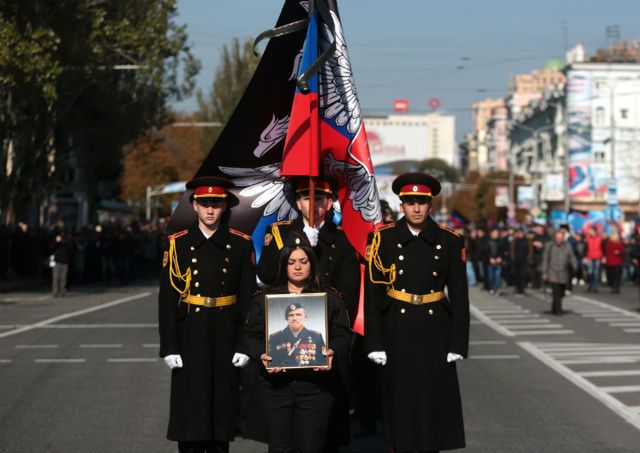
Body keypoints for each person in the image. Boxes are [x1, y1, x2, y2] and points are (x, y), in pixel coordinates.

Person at [365, 172, 469, 453]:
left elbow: (459, 297)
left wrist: (458, 342)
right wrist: (374, 342)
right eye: (410, 202)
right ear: (401, 205)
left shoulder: (450, 241)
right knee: (399, 400)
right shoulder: (382, 240)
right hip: (396, 329)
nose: (416, 208)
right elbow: (373, 297)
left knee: (433, 401)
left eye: (421, 202)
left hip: (435, 331)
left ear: (430, 205)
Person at [158, 176, 257, 453]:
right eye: (204, 204)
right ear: (195, 206)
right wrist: (169, 346)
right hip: (191, 332)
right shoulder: (177, 244)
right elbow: (167, 298)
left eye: (216, 204)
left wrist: (244, 344)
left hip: (225, 332)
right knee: (190, 404)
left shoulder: (239, 244)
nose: (210, 210)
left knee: (222, 405)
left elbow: (248, 298)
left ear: (225, 207)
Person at [244, 234, 352, 453]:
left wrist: (333, 351)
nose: (297, 267)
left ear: (312, 265)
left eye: (304, 261)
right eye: (291, 262)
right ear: (283, 266)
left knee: (311, 446)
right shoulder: (265, 299)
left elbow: (342, 334)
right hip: (276, 386)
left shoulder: (329, 298)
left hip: (317, 387)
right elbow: (251, 336)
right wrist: (261, 355)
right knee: (279, 446)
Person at [257, 176, 360, 322]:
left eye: (318, 198)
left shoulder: (343, 238)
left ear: (329, 204)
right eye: (307, 198)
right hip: (284, 315)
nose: (313, 204)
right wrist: (297, 239)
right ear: (298, 203)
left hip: (326, 316)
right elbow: (266, 275)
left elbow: (348, 290)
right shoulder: (280, 233)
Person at [268, 301, 326, 368]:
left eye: (298, 314)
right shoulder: (275, 337)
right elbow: (270, 363)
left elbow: (323, 361)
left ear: (305, 317)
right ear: (287, 318)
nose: (294, 318)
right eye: (291, 315)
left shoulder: (316, 336)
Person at [541, 230, 577, 315]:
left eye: (560, 238)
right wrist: (544, 272)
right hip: (552, 272)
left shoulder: (567, 246)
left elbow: (572, 256)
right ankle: (558, 310)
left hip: (563, 272)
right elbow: (545, 259)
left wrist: (575, 266)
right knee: (556, 291)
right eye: (557, 238)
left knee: (561, 292)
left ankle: (554, 307)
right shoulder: (549, 246)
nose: (559, 240)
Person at [50, 232, 71, 297]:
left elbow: (70, 249)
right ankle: (55, 292)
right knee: (55, 278)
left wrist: (66, 241)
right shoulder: (56, 243)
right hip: (57, 262)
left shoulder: (67, 244)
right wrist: (57, 242)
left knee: (63, 279)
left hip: (65, 262)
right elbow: (51, 248)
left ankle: (63, 291)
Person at [585, 226, 603, 293]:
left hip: (598, 257)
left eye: (591, 230)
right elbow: (586, 248)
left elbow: (602, 247)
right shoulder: (588, 238)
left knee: (596, 273)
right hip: (590, 257)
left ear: (595, 231)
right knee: (590, 272)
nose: (590, 232)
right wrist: (585, 257)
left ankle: (596, 287)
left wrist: (603, 257)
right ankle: (590, 286)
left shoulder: (600, 238)